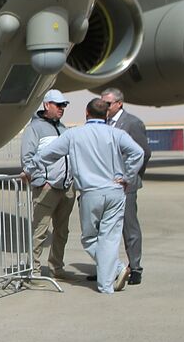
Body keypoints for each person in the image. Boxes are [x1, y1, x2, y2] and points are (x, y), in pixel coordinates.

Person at [35, 97, 145, 294]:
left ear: (87, 113)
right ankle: (107, 284)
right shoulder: (116, 134)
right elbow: (138, 152)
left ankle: (117, 270)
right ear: (106, 114)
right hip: (114, 191)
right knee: (110, 238)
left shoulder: (74, 134)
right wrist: (127, 176)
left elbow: (47, 154)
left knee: (89, 239)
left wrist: (32, 167)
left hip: (90, 193)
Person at [18, 89, 77, 280]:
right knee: (39, 230)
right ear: (46, 105)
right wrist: (39, 180)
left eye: (64, 105)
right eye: (58, 105)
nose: (62, 109)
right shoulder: (34, 129)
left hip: (66, 187)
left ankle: (56, 267)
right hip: (47, 188)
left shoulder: (63, 128)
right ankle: (34, 270)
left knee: (62, 231)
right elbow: (27, 158)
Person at [100, 86, 150, 285]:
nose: (104, 107)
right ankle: (106, 267)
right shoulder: (102, 122)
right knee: (105, 228)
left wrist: (132, 177)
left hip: (125, 185)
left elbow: (144, 153)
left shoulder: (132, 123)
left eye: (108, 104)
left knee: (129, 227)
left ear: (119, 103)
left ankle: (135, 268)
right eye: (102, 103)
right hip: (105, 184)